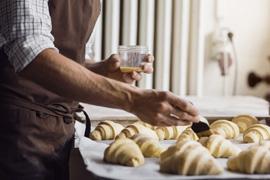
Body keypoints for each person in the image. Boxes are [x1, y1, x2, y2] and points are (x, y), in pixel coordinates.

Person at [0, 0, 199, 179]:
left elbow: (70, 61)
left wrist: (103, 70)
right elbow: (30, 52)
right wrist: (133, 99)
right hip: (16, 130)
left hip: (60, 129)